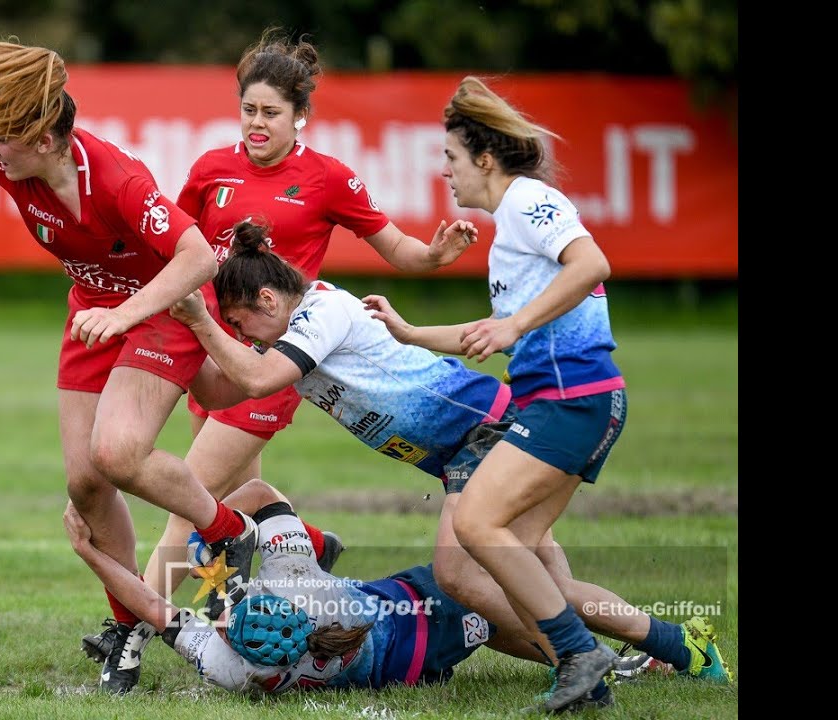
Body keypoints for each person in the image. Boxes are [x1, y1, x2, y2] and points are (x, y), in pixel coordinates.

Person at [0, 13, 260, 694]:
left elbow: (196, 259)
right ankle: (127, 631)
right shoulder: (9, 157)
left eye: (6, 141)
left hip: (161, 312)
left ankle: (228, 531)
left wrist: (126, 312)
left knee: (119, 453)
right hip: (93, 316)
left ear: (44, 140)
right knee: (85, 484)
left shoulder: (118, 180)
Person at [171, 219, 731, 708]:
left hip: (485, 432)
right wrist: (186, 335)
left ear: (269, 300)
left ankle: (593, 660)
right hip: (471, 444)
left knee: (459, 574)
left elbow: (257, 379)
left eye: (241, 326)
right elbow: (222, 391)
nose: (241, 339)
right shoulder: (290, 330)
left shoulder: (321, 311)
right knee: (545, 582)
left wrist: (203, 323)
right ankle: (675, 645)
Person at [365, 75, 732, 712]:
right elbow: (491, 333)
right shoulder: (509, 231)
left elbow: (591, 264)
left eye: (451, 159)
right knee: (521, 560)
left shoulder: (531, 200)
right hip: (567, 403)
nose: (445, 175)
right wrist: (407, 330)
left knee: (478, 522)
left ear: (484, 158)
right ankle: (680, 644)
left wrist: (514, 323)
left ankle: (580, 658)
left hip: (573, 399)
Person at [137, 26, 478, 632]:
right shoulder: (211, 168)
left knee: (185, 505)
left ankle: (129, 627)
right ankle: (304, 547)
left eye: (272, 112)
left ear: (301, 118)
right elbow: (177, 248)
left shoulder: (327, 178)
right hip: (209, 357)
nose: (257, 123)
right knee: (230, 504)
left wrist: (434, 255)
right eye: (249, 110)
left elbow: (395, 246)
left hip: (272, 368)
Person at [67, 477, 521, 696]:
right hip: (417, 603)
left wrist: (90, 553)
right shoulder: (296, 583)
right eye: (227, 618)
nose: (221, 618)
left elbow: (153, 608)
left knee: (513, 609)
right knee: (514, 584)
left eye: (224, 619)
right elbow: (263, 492)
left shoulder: (236, 671)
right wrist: (211, 530)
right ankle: (467, 475)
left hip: (416, 662)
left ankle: (572, 647)